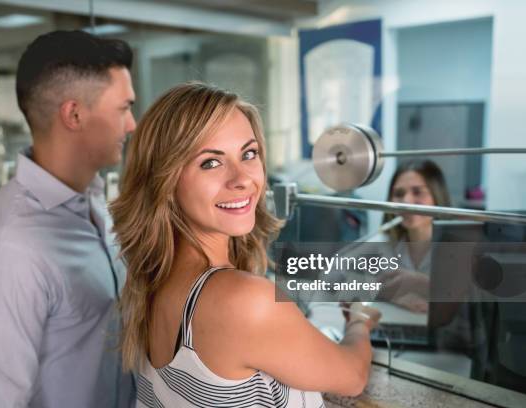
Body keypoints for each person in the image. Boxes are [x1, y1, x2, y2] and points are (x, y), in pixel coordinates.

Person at [111, 82, 380, 407]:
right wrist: (359, 323)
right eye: (210, 162)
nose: (242, 178)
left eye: (249, 154)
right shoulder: (244, 301)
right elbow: (352, 376)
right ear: (164, 181)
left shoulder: (150, 282)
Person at [0, 30, 136, 407]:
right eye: (123, 109)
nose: (131, 124)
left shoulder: (95, 207)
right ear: (75, 114)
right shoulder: (6, 249)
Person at [377, 159, 451, 312]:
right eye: (398, 194)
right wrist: (387, 295)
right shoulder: (384, 244)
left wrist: (420, 283)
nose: (406, 201)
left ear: (437, 196)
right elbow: (333, 278)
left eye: (417, 192)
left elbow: (476, 301)